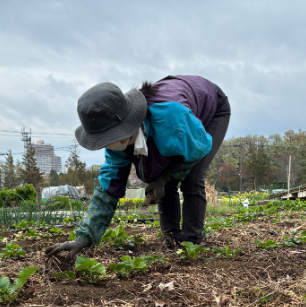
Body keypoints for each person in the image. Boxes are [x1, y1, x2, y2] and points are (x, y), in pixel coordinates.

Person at [46, 75, 231, 261]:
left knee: (192, 178)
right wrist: (83, 238)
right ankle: (172, 238)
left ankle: (191, 243)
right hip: (177, 120)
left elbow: (198, 149)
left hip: (211, 108)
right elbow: (108, 191)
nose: (105, 145)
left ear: (123, 129)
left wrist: (164, 178)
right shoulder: (115, 138)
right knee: (162, 177)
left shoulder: (171, 118)